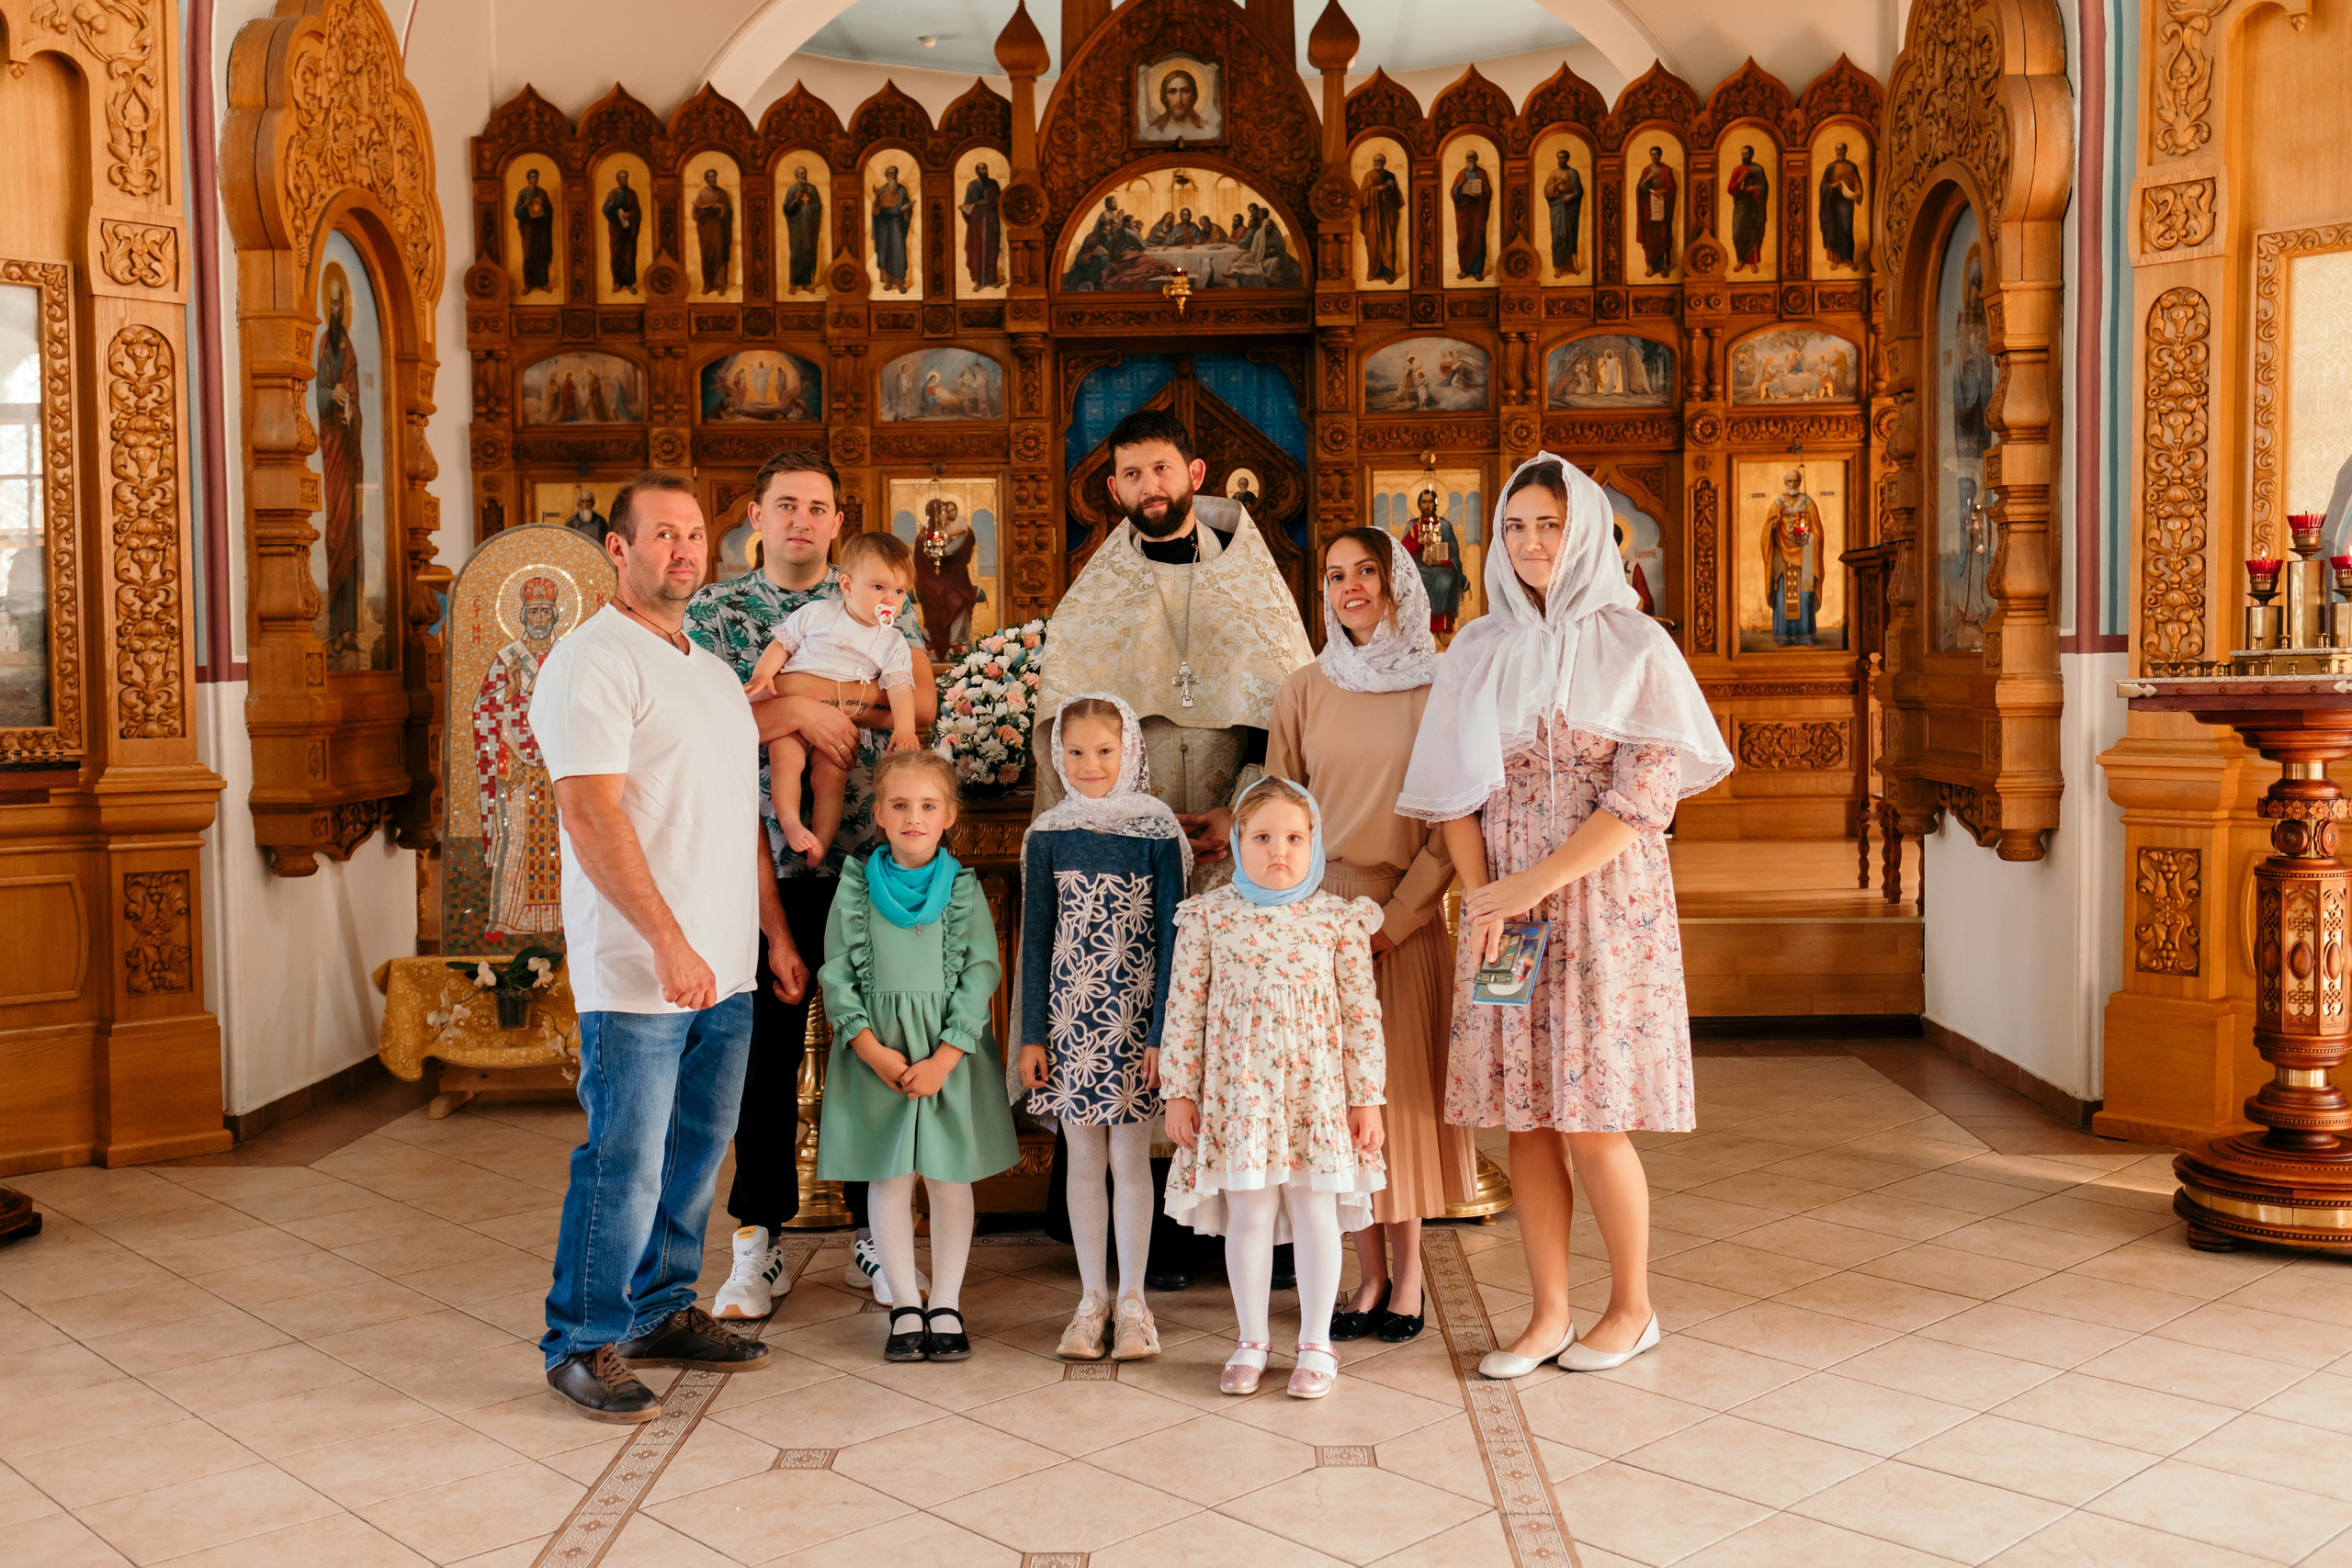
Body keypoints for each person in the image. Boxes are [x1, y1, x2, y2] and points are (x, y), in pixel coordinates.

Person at [1397, 453, 1733, 1381]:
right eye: (1513, 528)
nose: (1530, 543)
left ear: (1582, 530)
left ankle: (1632, 1309)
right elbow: (1451, 795)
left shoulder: (1636, 646)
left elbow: (1639, 801)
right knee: (1527, 1119)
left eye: (1546, 525)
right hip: (1506, 910)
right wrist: (1483, 896)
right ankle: (1546, 1315)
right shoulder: (1475, 647)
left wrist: (1531, 885)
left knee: (1590, 1119)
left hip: (1600, 909)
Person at [1033, 408, 1313, 1291]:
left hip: (1236, 835)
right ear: (1112, 488)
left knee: (1226, 1013)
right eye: (1131, 475)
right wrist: (1120, 813)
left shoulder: (1256, 581)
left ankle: (1236, 1221)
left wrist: (1244, 815)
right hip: (1128, 835)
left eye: (1161, 470)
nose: (1148, 488)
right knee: (1134, 1003)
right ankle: (1135, 1233)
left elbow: (1289, 718)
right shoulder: (1098, 589)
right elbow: (1066, 716)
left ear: (1193, 472)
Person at [533, 472, 787, 1420]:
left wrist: (765, 934)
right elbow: (592, 818)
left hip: (724, 966)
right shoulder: (591, 662)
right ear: (619, 548)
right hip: (641, 970)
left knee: (696, 1151)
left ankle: (662, 1310)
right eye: (662, 535)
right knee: (625, 1159)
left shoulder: (710, 670)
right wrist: (671, 943)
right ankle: (582, 1340)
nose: (683, 551)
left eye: (694, 536)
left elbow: (733, 815)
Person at [685, 450, 937, 1320]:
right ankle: (758, 1239)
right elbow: (708, 715)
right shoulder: (718, 611)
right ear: (754, 516)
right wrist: (801, 709)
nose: (801, 519)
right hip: (758, 864)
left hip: (876, 862)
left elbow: (923, 702)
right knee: (764, 1051)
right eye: (784, 504)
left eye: (817, 506)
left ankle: (879, 1233)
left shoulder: (876, 586)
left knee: (880, 1047)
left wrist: (805, 702)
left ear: (839, 520)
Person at [1269, 530, 1470, 1347]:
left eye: (1366, 573)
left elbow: (1456, 817)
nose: (1350, 587)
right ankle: (1368, 1271)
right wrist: (1300, 914)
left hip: (1404, 913)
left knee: (1401, 1098)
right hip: (1319, 916)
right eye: (1335, 574)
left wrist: (1399, 918)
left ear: (1397, 584)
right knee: (1336, 1101)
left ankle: (1411, 1271)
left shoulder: (1440, 685)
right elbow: (1277, 808)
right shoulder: (1305, 688)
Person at [1160, 777, 1385, 1401]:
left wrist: (1367, 1097)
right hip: (1240, 1095)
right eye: (1262, 837)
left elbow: (1361, 1014)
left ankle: (1316, 1339)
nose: (1278, 850)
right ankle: (1251, 1337)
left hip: (1317, 1095)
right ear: (1237, 842)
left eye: (1293, 837)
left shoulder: (1337, 920)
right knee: (1251, 1211)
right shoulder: (1209, 917)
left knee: (1316, 1209)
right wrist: (1181, 1091)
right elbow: (1184, 1008)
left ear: (1314, 842)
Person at [816, 749, 1016, 1362]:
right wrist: (871, 1050)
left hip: (946, 1054)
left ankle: (948, 1300)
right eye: (899, 805)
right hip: (880, 1054)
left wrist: (947, 1056)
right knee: (891, 1175)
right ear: (878, 812)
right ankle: (905, 1301)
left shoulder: (961, 888)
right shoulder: (854, 886)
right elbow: (838, 973)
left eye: (928, 805)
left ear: (949, 815)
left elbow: (982, 971)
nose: (913, 817)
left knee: (949, 1178)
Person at [1017, 694, 1187, 1362]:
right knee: (1083, 1159)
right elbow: (1035, 942)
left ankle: (1135, 1303)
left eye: (1105, 751)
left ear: (1130, 753)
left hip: (1135, 1023)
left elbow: (1176, 941)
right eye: (1076, 752)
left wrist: (1161, 1037)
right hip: (1069, 1025)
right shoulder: (1049, 835)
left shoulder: (1155, 833)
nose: (1090, 765)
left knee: (1131, 1160)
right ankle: (1090, 1302)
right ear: (1059, 755)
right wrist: (1034, 1033)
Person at [742, 530, 920, 864]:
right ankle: (793, 825)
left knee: (831, 777)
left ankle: (819, 843)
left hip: (840, 725)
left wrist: (905, 728)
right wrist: (764, 674)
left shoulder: (892, 641)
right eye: (878, 587)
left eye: (898, 591)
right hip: (789, 718)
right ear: (848, 586)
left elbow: (899, 687)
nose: (889, 599)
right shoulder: (818, 613)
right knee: (787, 763)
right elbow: (783, 644)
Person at [1358, 152, 1405, 283]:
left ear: (1383, 163)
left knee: (1389, 242)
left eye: (1379, 161)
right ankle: (1373, 271)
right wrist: (1376, 190)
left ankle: (1388, 272)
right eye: (1375, 161)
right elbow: (1362, 198)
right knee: (1373, 243)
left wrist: (1393, 187)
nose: (1376, 164)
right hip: (1373, 216)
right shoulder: (1369, 176)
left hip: (1388, 215)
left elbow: (1398, 200)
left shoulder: (1391, 176)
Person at [1819, 142, 1863, 270]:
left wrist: (1858, 192)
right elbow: (1823, 186)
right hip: (1832, 204)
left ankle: (1849, 258)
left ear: (1845, 151)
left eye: (1841, 150)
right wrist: (1833, 186)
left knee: (1846, 229)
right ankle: (1836, 260)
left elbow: (1857, 183)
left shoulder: (1851, 166)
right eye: (1837, 150)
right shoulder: (1830, 167)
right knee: (1834, 230)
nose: (1839, 152)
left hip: (1846, 204)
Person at [1635, 147, 1679, 277]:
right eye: (1652, 154)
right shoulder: (1646, 170)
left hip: (1662, 208)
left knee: (1663, 236)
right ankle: (1650, 266)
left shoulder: (1666, 170)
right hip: (1649, 209)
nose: (1654, 157)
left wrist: (1663, 191)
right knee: (1649, 239)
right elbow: (1640, 188)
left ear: (1660, 155)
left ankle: (1664, 266)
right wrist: (1649, 181)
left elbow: (1672, 187)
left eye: (1657, 154)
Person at [782, 164, 825, 293]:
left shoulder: (812, 189)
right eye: (800, 173)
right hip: (796, 227)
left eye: (804, 173)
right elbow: (786, 208)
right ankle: (793, 283)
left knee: (808, 253)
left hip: (809, 228)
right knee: (795, 253)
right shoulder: (791, 189)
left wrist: (808, 209)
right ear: (796, 176)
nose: (803, 175)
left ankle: (807, 283)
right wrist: (796, 200)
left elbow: (818, 207)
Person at [872, 165, 914, 294]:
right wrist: (877, 203)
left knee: (898, 252)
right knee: (885, 252)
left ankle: (900, 283)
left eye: (894, 173)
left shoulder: (902, 190)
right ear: (886, 175)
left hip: (897, 225)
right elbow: (876, 211)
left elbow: (906, 209)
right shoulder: (881, 190)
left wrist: (906, 208)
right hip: (884, 226)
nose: (892, 175)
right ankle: (888, 282)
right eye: (889, 173)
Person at [1727, 146, 1770, 273]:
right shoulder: (1737, 170)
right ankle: (1740, 260)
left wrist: (1755, 189)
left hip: (1754, 206)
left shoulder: (1758, 169)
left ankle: (1753, 262)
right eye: (1742, 154)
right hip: (1740, 206)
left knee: (1754, 233)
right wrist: (1741, 179)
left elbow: (1765, 187)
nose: (1744, 156)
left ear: (1751, 154)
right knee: (1738, 233)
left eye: (1746, 154)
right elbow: (1730, 189)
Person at [514, 167, 555, 295]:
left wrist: (543, 211)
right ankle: (528, 284)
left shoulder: (542, 193)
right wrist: (525, 205)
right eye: (532, 177)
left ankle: (543, 283)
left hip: (541, 228)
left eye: (536, 177)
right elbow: (516, 212)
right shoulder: (522, 193)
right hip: (529, 229)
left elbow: (550, 210)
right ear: (528, 179)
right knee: (529, 255)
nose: (534, 179)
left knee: (542, 254)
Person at [1452, 151, 1492, 281]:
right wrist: (1459, 185)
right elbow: (1454, 194)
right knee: (1463, 240)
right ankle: (1464, 269)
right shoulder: (1460, 174)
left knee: (1478, 239)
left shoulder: (1482, 174)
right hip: (1464, 213)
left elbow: (1488, 192)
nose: (1470, 160)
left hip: (1477, 212)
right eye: (1468, 157)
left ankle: (1477, 271)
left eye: (1472, 158)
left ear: (1476, 159)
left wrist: (1480, 195)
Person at [692, 168, 733, 294]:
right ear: (706, 178)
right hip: (705, 229)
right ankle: (707, 284)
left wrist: (721, 208)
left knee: (719, 254)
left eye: (714, 176)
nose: (713, 179)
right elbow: (695, 214)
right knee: (707, 256)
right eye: (710, 177)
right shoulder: (701, 193)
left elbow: (728, 213)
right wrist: (702, 211)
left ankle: (720, 285)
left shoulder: (722, 193)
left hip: (718, 228)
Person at [962, 160, 1002, 289]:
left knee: (992, 249)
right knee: (977, 250)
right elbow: (967, 204)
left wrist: (988, 204)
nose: (983, 171)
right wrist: (972, 206)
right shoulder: (972, 186)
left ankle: (991, 279)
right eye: (980, 169)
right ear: (977, 171)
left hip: (991, 221)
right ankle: (978, 281)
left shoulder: (993, 184)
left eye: (984, 168)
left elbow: (1000, 201)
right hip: (977, 222)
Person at [1544, 149, 1583, 276]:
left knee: (1571, 236)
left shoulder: (1573, 173)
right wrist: (1556, 183)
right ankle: (1558, 266)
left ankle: (1572, 265)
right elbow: (1547, 192)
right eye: (1559, 157)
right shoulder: (1554, 173)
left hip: (1570, 209)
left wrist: (1571, 196)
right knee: (1557, 237)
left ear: (1567, 159)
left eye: (1563, 158)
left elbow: (1579, 191)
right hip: (1557, 208)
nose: (1560, 160)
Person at [603, 169, 641, 292]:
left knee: (629, 256)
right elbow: (605, 210)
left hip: (628, 230)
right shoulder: (612, 193)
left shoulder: (631, 194)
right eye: (621, 178)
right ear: (618, 179)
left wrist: (629, 214)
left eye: (625, 177)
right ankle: (617, 282)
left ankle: (629, 284)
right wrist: (612, 205)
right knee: (616, 255)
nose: (623, 180)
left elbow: (637, 211)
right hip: (616, 230)